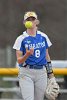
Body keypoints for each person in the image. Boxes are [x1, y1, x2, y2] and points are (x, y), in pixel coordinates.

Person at [13, 11, 59, 100]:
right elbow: (19, 61)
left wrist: (51, 75)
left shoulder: (43, 37)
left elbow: (47, 56)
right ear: (24, 22)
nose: (30, 21)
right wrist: (27, 54)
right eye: (28, 19)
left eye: (32, 19)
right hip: (26, 72)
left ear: (37, 21)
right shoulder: (20, 39)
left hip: (41, 72)